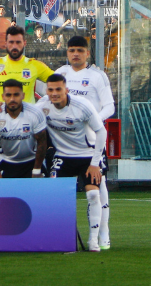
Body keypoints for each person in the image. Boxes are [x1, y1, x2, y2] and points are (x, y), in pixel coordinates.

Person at [54, 35, 114, 249]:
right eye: (72, 50)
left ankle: (103, 233)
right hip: (67, 143)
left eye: (80, 50)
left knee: (99, 187)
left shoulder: (97, 76)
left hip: (92, 139)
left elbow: (110, 106)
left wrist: (92, 120)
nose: (76, 54)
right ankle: (61, 235)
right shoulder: (60, 73)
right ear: (67, 53)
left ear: (87, 53)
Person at [37, 73, 108, 252]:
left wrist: (95, 163)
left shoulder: (82, 105)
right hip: (62, 156)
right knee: (55, 196)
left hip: (87, 156)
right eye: (50, 90)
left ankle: (93, 240)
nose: (54, 93)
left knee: (94, 195)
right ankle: (61, 238)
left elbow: (101, 132)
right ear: (46, 91)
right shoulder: (42, 106)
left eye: (58, 89)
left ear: (66, 90)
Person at [0, 26, 54, 102]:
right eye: (11, 42)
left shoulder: (35, 65)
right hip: (2, 114)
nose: (14, 46)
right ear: (6, 44)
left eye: (18, 42)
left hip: (27, 115)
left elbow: (59, 82)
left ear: (24, 43)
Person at [0, 79, 47, 178]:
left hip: (32, 159)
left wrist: (36, 170)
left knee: (43, 186)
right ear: (3, 97)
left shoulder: (35, 113)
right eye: (8, 95)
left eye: (16, 95)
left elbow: (42, 142)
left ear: (23, 96)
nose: (12, 99)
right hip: (6, 160)